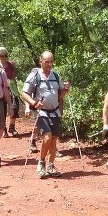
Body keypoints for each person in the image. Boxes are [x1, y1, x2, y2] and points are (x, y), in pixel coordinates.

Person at [21, 51, 71, 179]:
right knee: (47, 137)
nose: (49, 64)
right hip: (41, 112)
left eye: (51, 61)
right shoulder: (34, 76)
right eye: (47, 62)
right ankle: (41, 163)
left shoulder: (55, 75)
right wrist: (34, 103)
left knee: (54, 140)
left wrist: (65, 89)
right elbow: (24, 93)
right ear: (41, 61)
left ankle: (51, 165)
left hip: (54, 111)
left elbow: (61, 95)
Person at [0, 46, 19, 137]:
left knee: (14, 107)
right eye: (2, 56)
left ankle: (12, 127)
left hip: (12, 88)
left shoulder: (11, 64)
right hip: (1, 89)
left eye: (6, 55)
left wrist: (15, 89)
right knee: (2, 110)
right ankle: (4, 129)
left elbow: (13, 76)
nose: (4, 57)